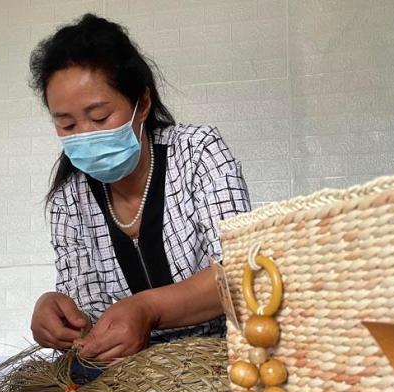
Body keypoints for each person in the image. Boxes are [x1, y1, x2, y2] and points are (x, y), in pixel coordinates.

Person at [29, 14, 251, 365]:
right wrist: (57, 315)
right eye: (67, 125)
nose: (85, 135)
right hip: (131, 375)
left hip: (227, 362)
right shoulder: (69, 201)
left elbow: (240, 273)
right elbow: (88, 317)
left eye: (99, 118)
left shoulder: (197, 154)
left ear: (142, 103)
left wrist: (148, 309)